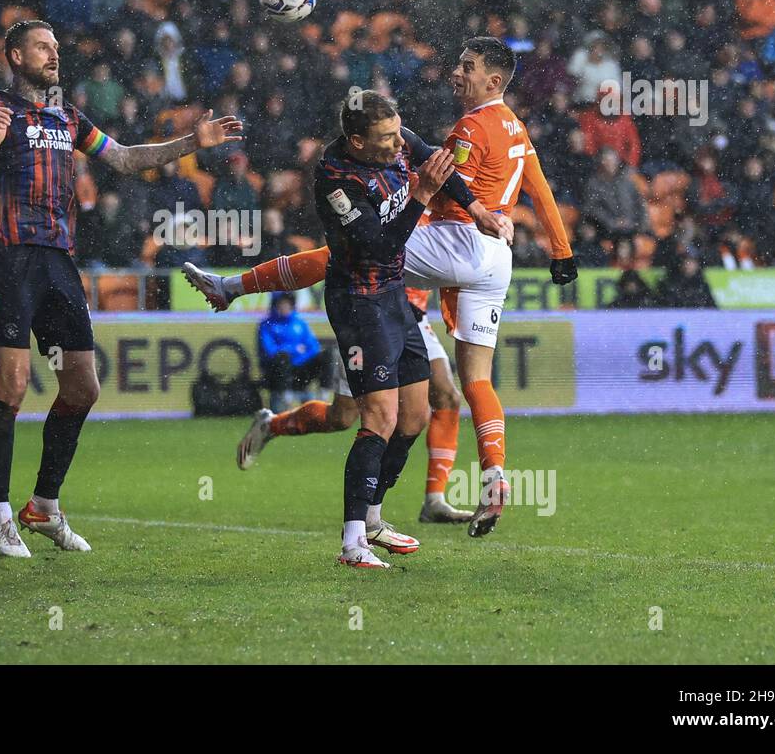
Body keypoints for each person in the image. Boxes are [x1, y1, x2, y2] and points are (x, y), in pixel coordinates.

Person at [188, 38, 574, 538]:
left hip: (422, 271)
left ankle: (380, 513)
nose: (456, 72)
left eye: (467, 66)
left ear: (492, 81)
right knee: (433, 392)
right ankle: (493, 472)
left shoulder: (471, 127)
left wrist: (435, 202)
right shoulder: (517, 128)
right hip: (485, 259)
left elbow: (436, 188)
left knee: (347, 263)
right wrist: (560, 251)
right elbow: (538, 187)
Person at [0, 19, 241, 558]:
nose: (54, 53)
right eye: (41, 46)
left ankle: (44, 505)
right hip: (9, 256)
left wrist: (193, 141)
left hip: (59, 261)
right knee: (10, 386)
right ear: (14, 54)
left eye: (56, 45)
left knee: (82, 388)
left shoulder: (66, 114)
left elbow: (124, 159)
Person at [311, 90, 468, 568]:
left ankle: (375, 517)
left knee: (415, 417)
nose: (399, 143)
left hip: (396, 298)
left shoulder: (396, 141)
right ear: (357, 141)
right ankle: (352, 542)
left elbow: (440, 165)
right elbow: (377, 247)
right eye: (386, 138)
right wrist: (420, 195)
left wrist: (477, 208)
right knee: (377, 417)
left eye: (399, 132)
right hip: (358, 302)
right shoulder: (336, 181)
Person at [233, 278, 474, 525]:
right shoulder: (380, 242)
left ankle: (432, 500)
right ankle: (273, 425)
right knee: (342, 416)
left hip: (413, 318)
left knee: (446, 398)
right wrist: (237, 285)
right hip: (370, 316)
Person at [257, 292, 322, 411]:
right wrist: (295, 349)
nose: (284, 307)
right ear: (275, 305)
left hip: (300, 370)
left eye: (287, 304)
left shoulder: (300, 323)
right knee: (283, 357)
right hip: (277, 371)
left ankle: (324, 395)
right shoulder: (266, 325)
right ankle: (285, 398)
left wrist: (298, 357)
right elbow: (270, 351)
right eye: (281, 304)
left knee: (329, 355)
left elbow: (313, 348)